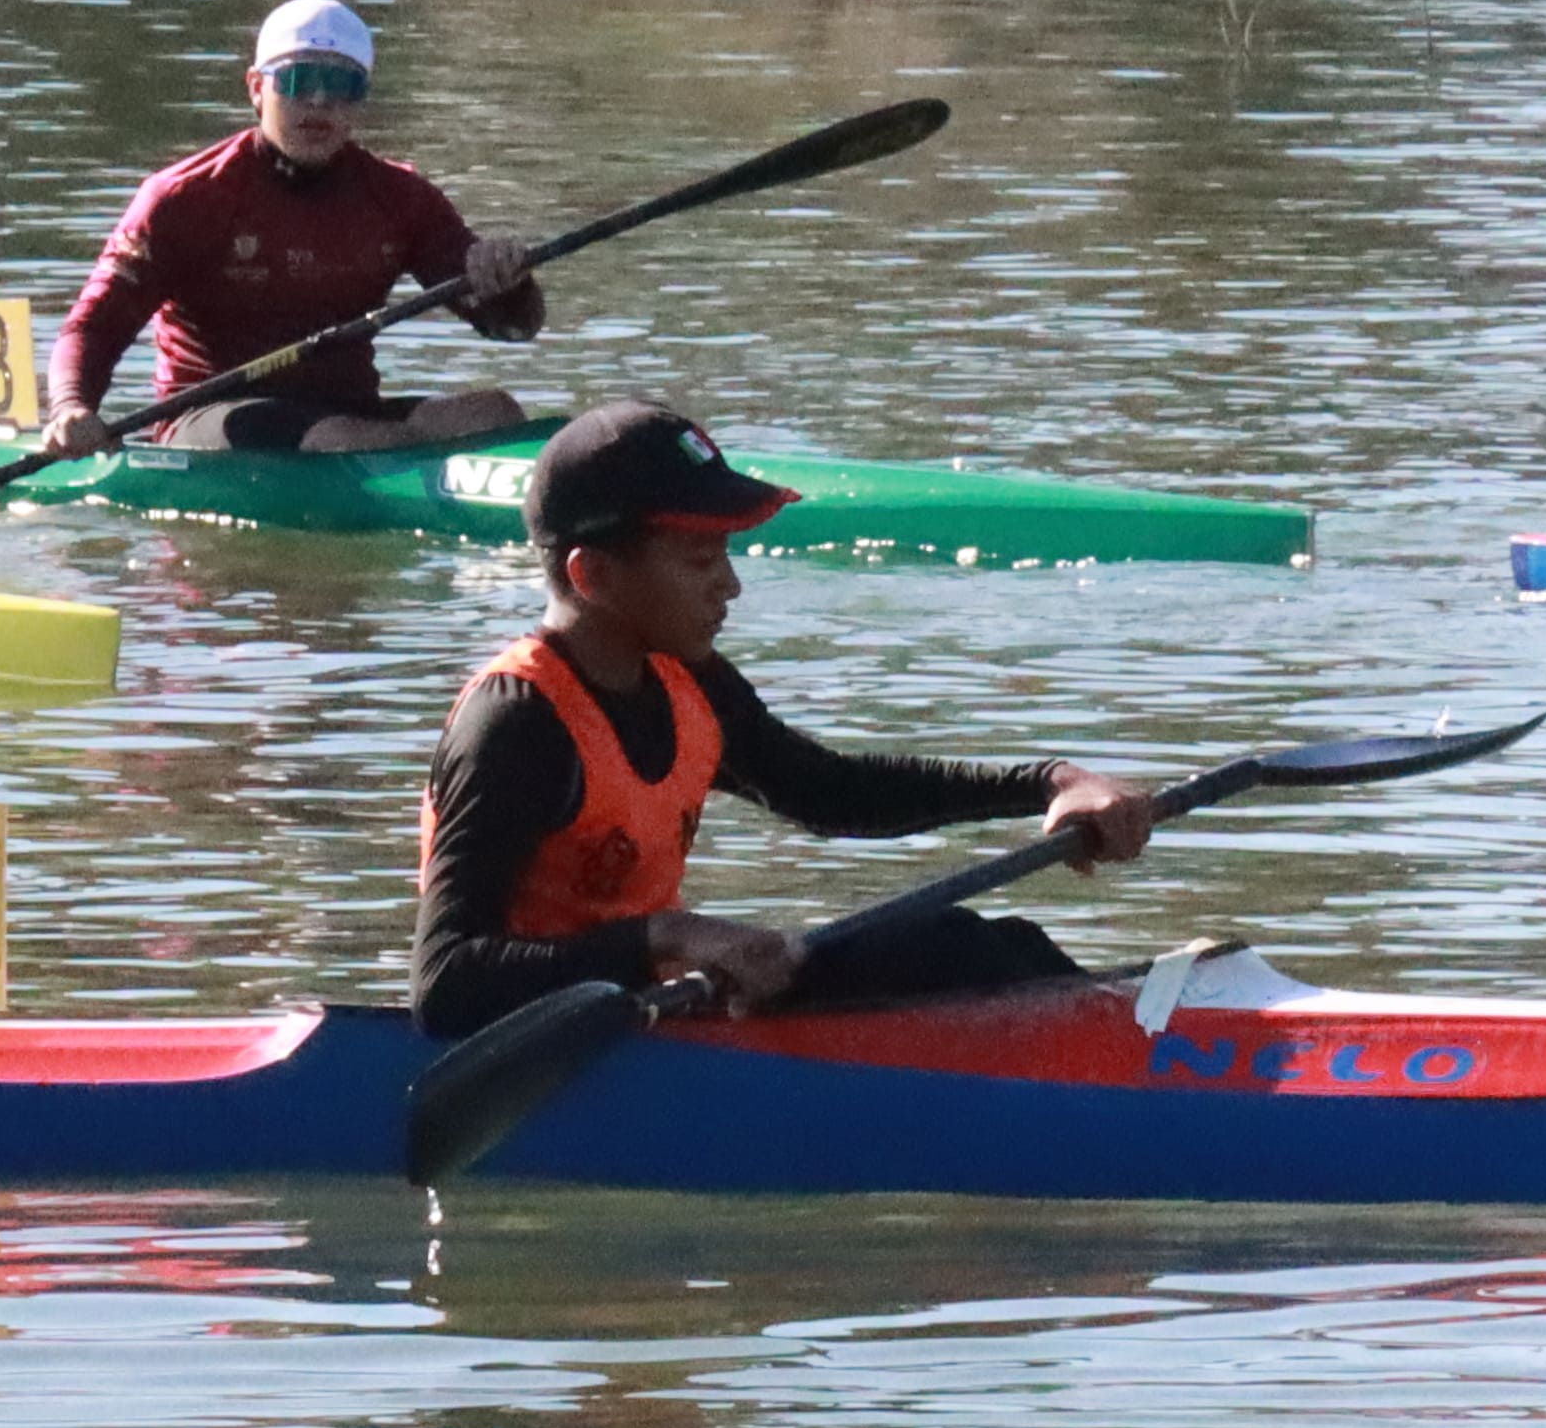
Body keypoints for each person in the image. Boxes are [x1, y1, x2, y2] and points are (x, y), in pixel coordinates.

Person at [411, 401, 1158, 1038]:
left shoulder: (685, 679)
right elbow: (446, 986)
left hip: (657, 1004)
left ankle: (1155, 1044)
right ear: (594, 575)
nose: (730, 587)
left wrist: (1051, 782)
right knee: (965, 962)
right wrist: (664, 935)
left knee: (984, 949)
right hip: (548, 1040)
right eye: (701, 561)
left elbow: (829, 792)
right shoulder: (514, 723)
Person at [45, 0, 546, 460]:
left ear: (361, 100)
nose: (320, 102)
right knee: (341, 439)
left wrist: (509, 284)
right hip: (208, 416)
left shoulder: (400, 197)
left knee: (493, 414)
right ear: (256, 89)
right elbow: (95, 324)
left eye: (342, 85)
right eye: (298, 81)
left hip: (346, 418)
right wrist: (70, 406)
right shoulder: (185, 197)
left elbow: (514, 327)